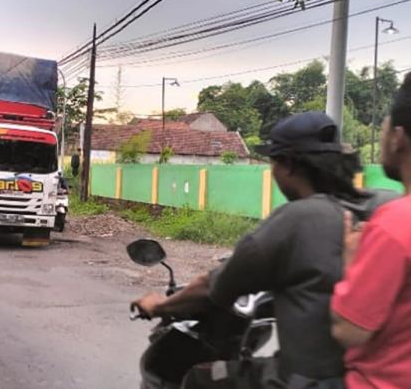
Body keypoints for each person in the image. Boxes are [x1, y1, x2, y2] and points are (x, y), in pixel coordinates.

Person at [131, 112, 394, 388]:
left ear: (289, 165)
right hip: (375, 377)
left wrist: (159, 305)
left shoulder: (298, 219)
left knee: (200, 379)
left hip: (308, 382)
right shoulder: (383, 207)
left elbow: (212, 289)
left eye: (273, 162)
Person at [331, 73, 411, 388]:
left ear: (398, 137)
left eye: (384, 127)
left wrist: (351, 265)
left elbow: (349, 329)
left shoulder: (394, 224)